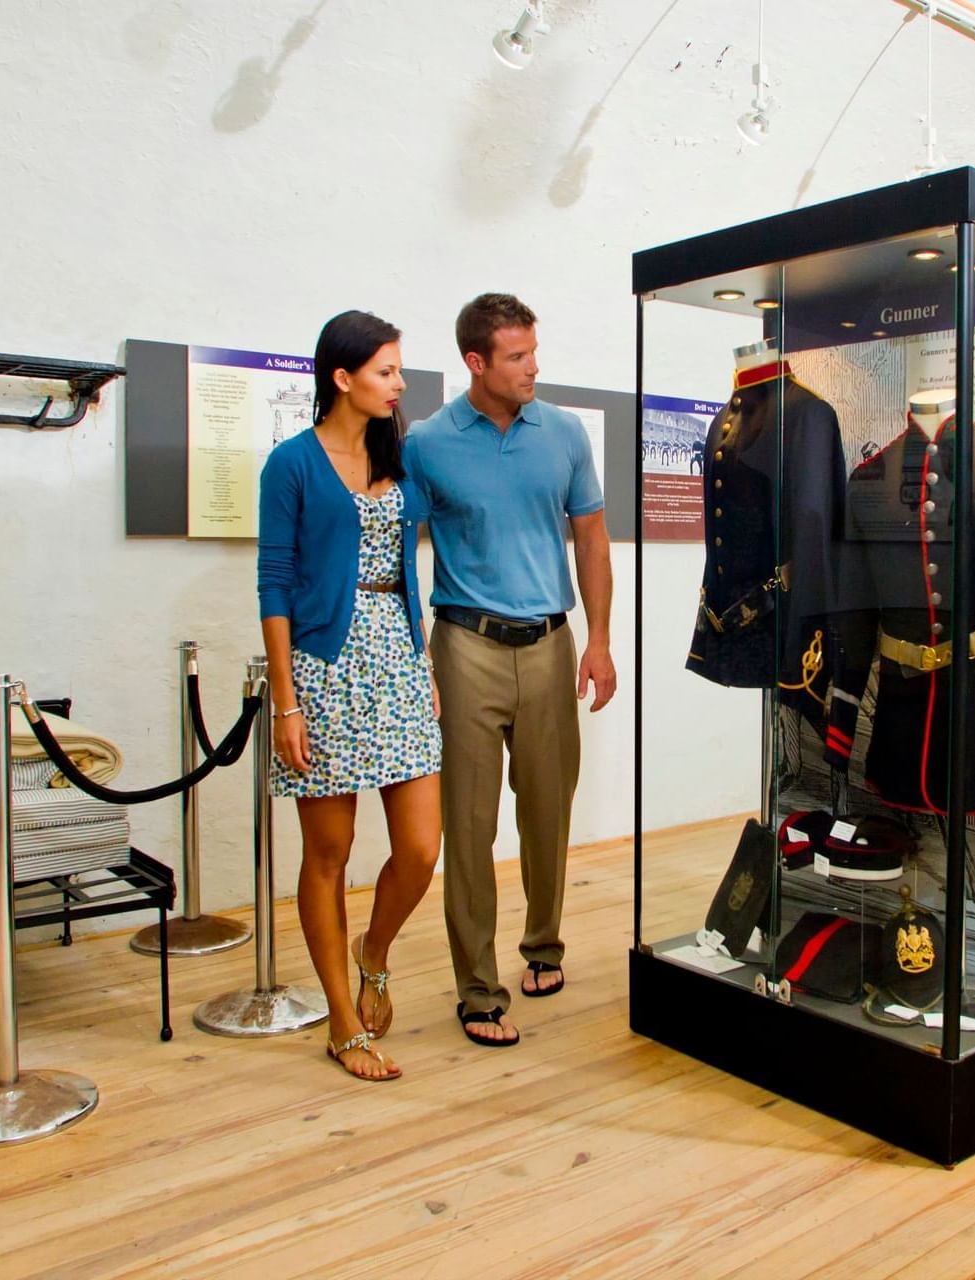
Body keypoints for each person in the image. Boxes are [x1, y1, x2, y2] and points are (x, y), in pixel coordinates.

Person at [405, 292, 615, 1048]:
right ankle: (475, 988)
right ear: (476, 362)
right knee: (467, 823)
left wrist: (598, 641)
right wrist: (411, 656)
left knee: (548, 809)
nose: (534, 366)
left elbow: (590, 540)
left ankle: (544, 946)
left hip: (551, 642)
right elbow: (397, 556)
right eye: (517, 356)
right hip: (463, 645)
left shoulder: (561, 434)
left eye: (533, 351)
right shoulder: (426, 443)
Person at [257, 310, 442, 1081]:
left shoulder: (396, 456)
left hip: (396, 659)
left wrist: (423, 662)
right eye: (386, 372)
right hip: (324, 668)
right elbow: (273, 582)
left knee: (420, 849)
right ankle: (340, 1020)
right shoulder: (291, 463)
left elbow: (405, 572)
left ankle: (375, 952)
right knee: (327, 853)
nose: (399, 386)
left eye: (398, 371)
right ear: (343, 378)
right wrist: (286, 701)